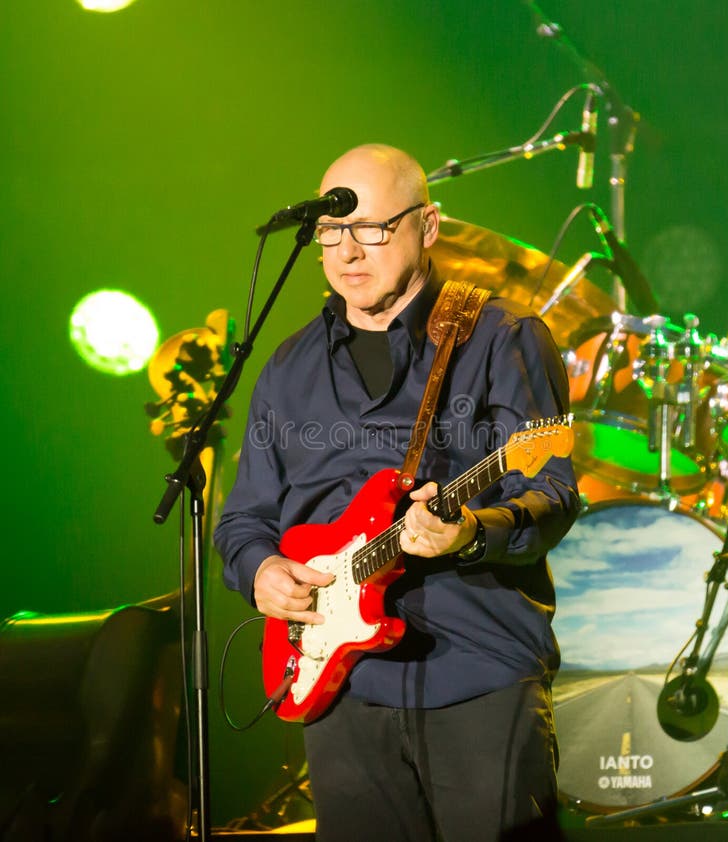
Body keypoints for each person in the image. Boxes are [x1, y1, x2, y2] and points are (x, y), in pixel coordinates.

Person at [214, 143, 579, 842]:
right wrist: (261, 571)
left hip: (477, 672)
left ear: (428, 226)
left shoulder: (503, 339)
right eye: (331, 232)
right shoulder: (286, 368)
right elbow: (244, 521)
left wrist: (470, 530)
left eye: (373, 228)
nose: (350, 251)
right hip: (339, 689)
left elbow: (552, 493)